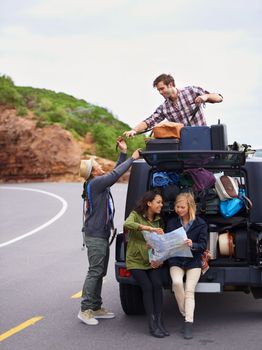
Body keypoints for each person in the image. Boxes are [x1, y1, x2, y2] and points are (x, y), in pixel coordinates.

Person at [78, 138, 140, 326]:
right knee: (95, 271)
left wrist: (123, 153)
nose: (101, 166)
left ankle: (96, 307)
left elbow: (113, 173)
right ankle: (85, 309)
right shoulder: (95, 184)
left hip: (101, 234)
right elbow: (114, 175)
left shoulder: (98, 183)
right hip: (95, 236)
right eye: (97, 165)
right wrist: (132, 159)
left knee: (100, 271)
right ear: (93, 172)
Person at [124, 190, 169, 338]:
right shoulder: (136, 215)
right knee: (147, 287)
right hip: (136, 260)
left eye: (161, 202)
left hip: (151, 260)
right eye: (158, 202)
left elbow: (161, 244)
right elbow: (127, 223)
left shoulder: (159, 220)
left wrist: (158, 258)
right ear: (149, 203)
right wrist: (148, 228)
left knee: (157, 285)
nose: (161, 205)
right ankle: (152, 324)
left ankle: (160, 322)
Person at [124, 73, 223, 137]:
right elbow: (150, 121)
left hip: (203, 137)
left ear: (170, 84)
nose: (160, 92)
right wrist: (134, 130)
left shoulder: (191, 91)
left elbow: (219, 98)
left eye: (162, 89)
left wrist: (205, 97)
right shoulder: (164, 108)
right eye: (158, 90)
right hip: (183, 143)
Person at [166, 192, 208, 340]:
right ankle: (186, 312)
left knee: (190, 290)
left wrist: (193, 244)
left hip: (193, 261)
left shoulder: (201, 223)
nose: (178, 209)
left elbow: (203, 246)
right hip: (176, 260)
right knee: (177, 283)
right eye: (177, 206)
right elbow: (168, 243)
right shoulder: (172, 223)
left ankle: (188, 323)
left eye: (182, 207)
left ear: (190, 207)